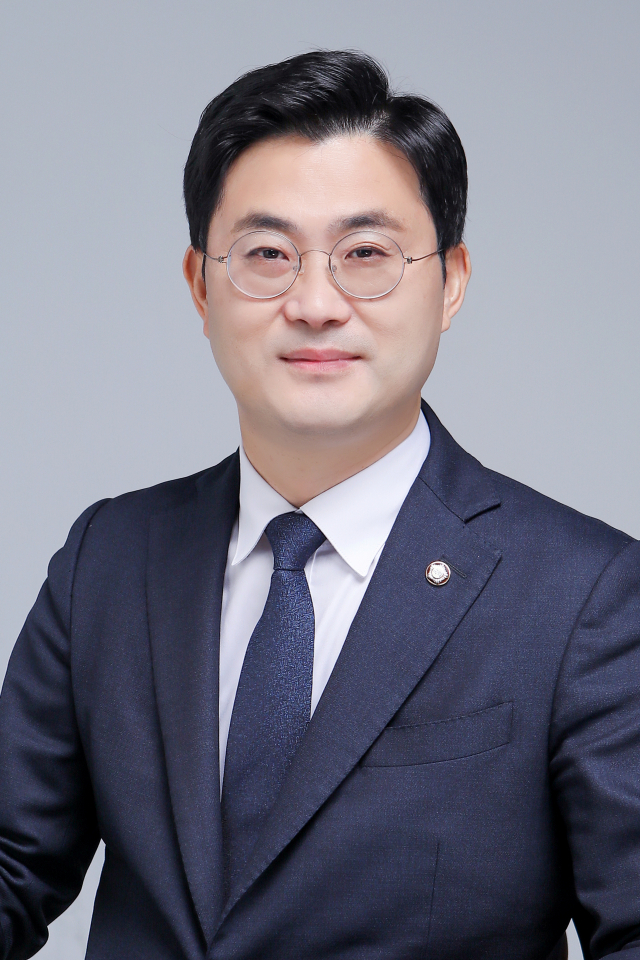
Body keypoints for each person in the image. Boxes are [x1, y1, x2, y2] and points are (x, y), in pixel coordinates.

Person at [1, 49, 639, 960]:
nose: (313, 303)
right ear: (200, 286)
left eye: (365, 255)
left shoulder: (586, 595)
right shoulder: (110, 557)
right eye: (267, 254)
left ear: (451, 281)